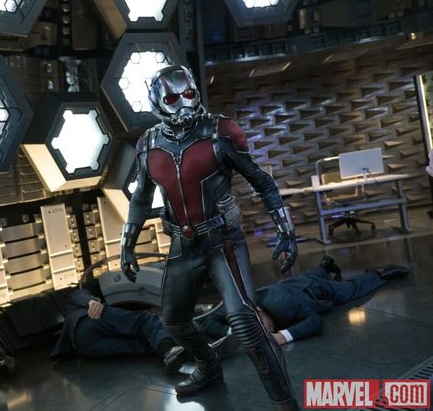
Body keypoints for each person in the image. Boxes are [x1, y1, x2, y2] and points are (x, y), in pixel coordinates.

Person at [120, 65, 299, 410]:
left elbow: (261, 181)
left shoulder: (219, 132)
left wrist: (285, 229)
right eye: (173, 98)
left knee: (245, 323)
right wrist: (127, 242)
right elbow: (141, 198)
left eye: (189, 94)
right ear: (157, 103)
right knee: (173, 320)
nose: (184, 103)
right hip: (183, 245)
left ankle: (286, 403)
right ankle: (209, 368)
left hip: (223, 241)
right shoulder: (148, 145)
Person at [50, 287, 238, 374]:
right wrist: (90, 301)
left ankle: (197, 352)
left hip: (86, 349)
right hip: (87, 321)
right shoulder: (79, 301)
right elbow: (75, 294)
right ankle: (179, 349)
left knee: (144, 345)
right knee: (145, 320)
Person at [254, 257, 409, 345]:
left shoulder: (282, 305)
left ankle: (380, 273)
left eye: (265, 327)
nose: (269, 331)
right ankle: (324, 267)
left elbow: (314, 321)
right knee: (304, 278)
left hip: (314, 289)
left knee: (350, 290)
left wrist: (282, 336)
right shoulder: (248, 304)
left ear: (259, 314)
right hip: (293, 284)